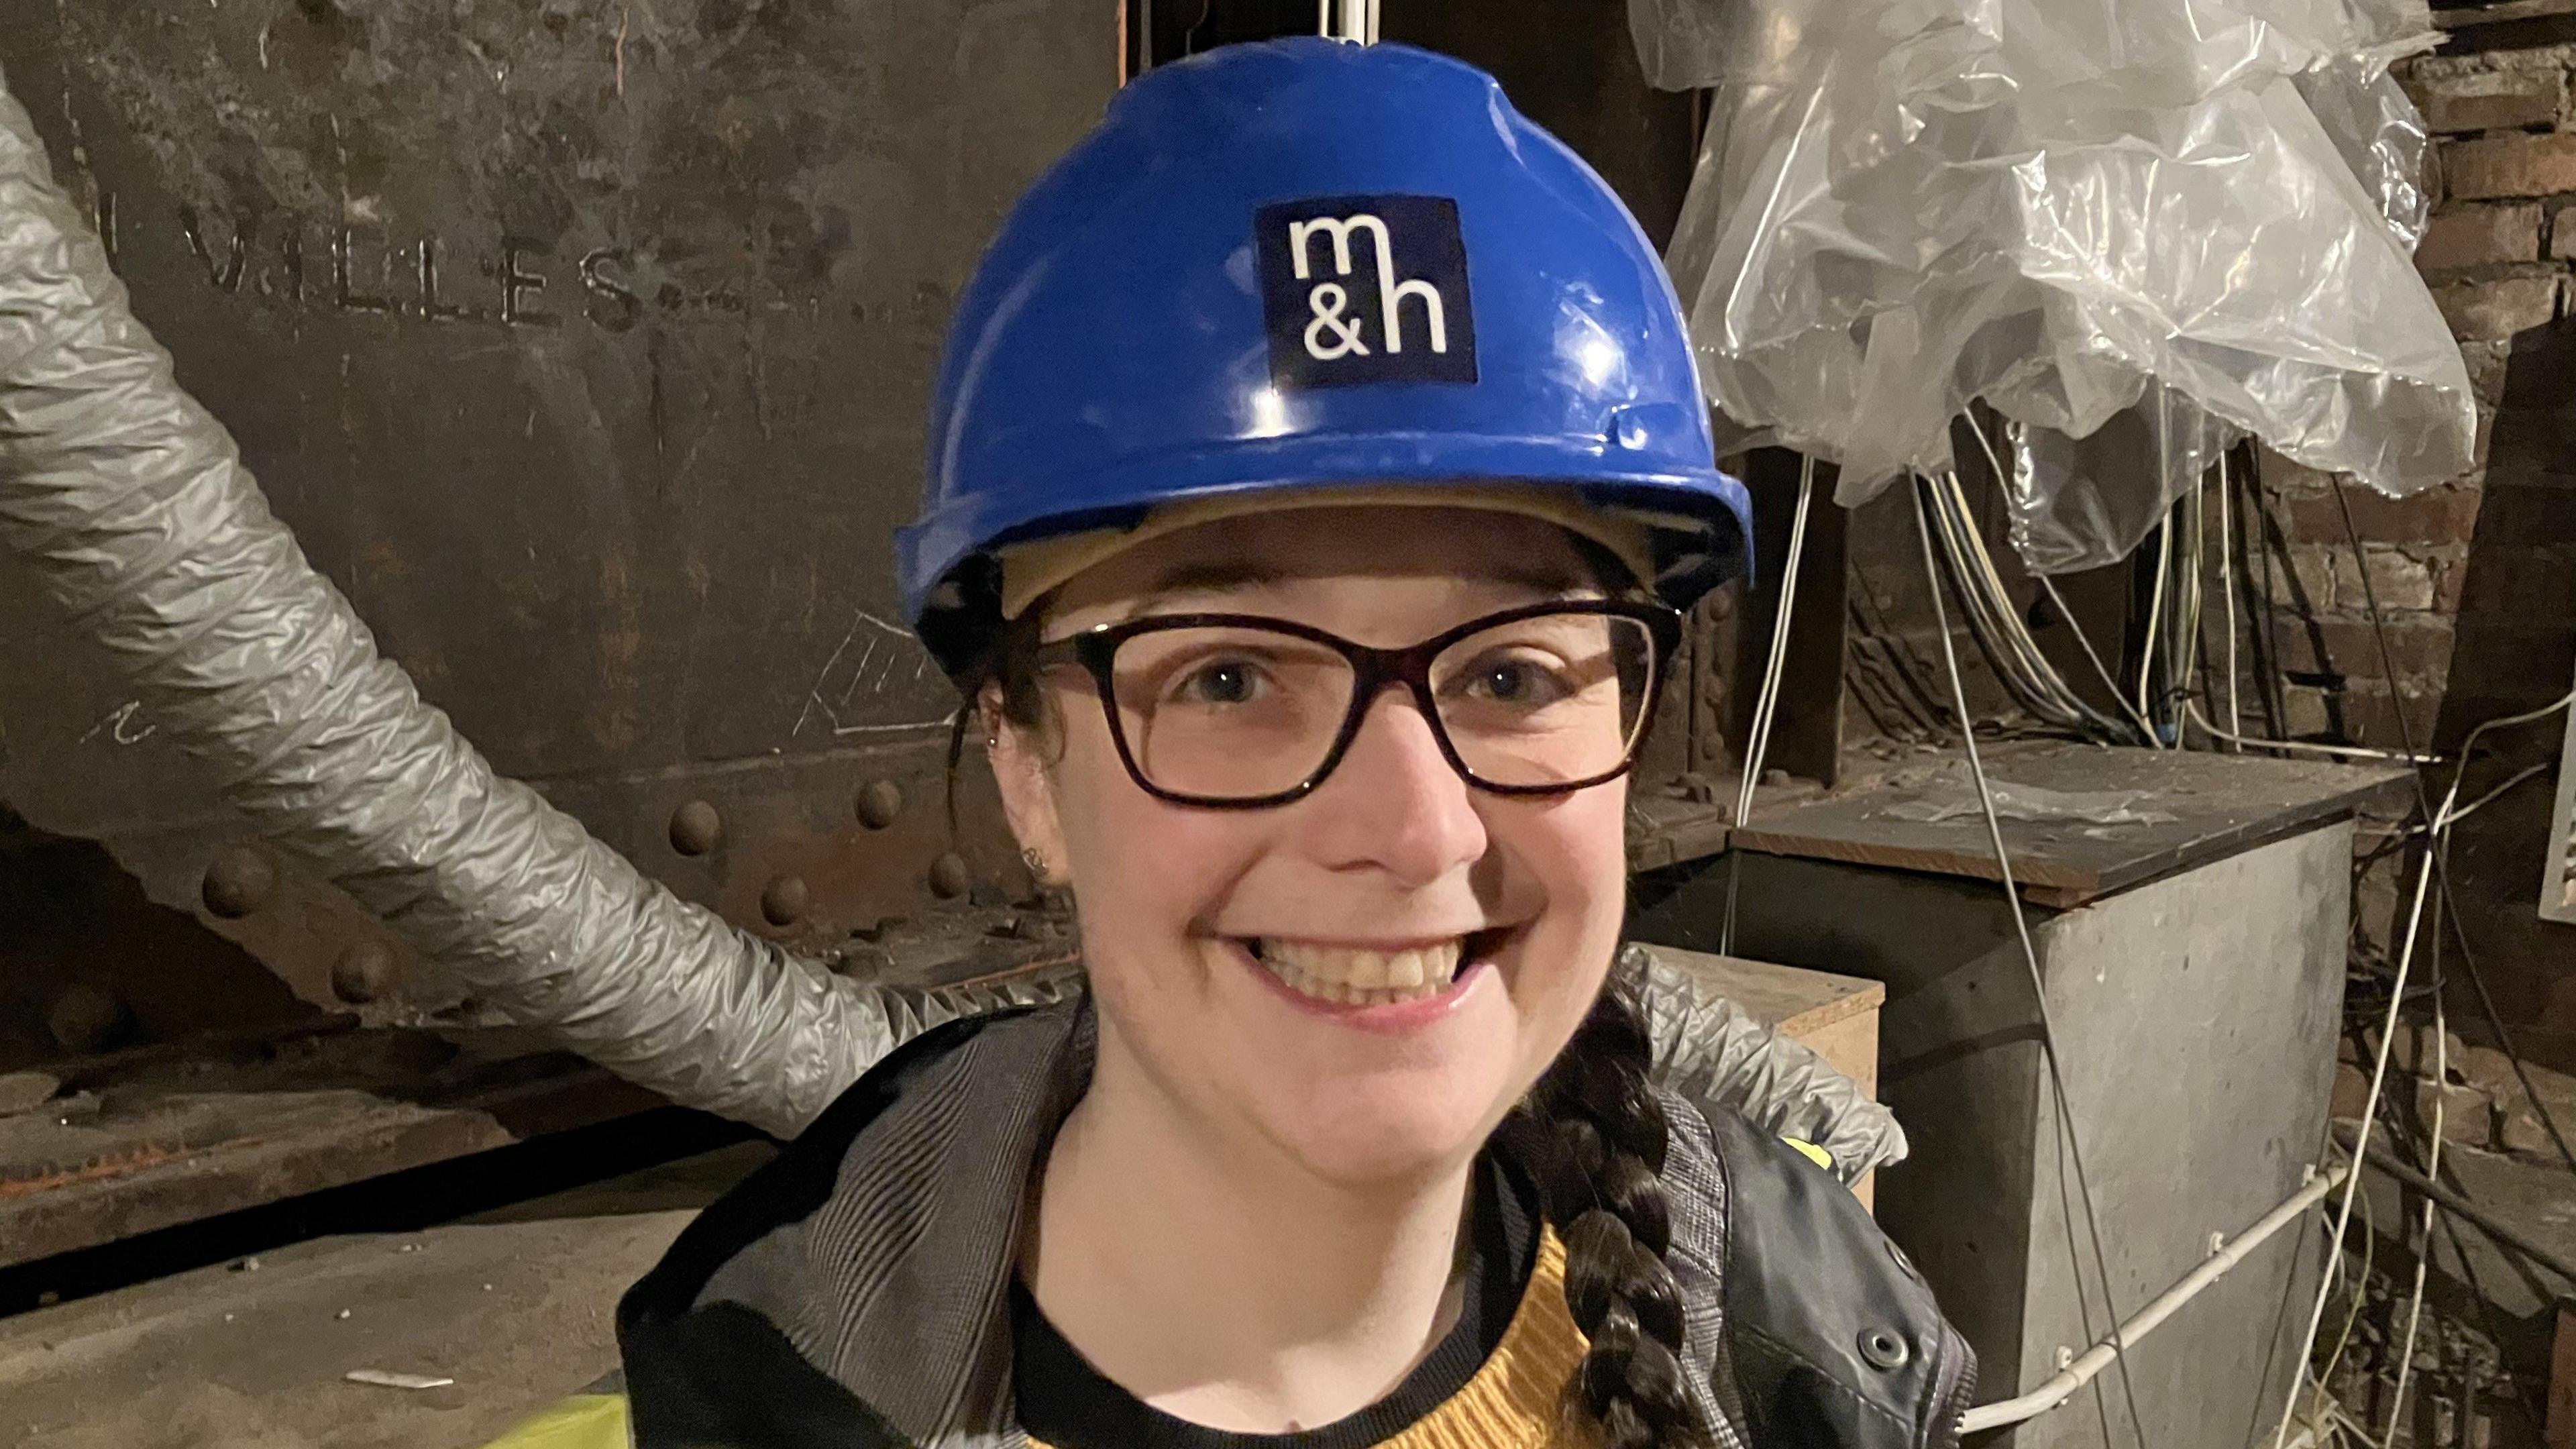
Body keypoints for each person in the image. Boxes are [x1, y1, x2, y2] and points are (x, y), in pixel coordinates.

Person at [596, 38, 1973, 1449]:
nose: (1418, 827)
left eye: (1511, 670)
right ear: (1025, 765)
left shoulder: (1799, 1351)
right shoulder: (781, 1389)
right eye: (1232, 678)